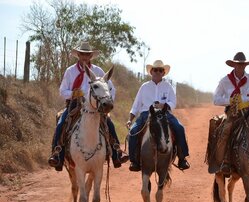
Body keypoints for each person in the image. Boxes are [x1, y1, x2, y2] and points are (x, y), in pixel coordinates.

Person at [48, 41, 126, 171]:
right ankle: (57, 155)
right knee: (61, 123)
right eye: (82, 54)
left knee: (109, 123)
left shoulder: (98, 71)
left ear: (90, 56)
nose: (85, 57)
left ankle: (117, 153)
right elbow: (62, 91)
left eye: (87, 54)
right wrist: (73, 93)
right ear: (78, 55)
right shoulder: (70, 71)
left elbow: (111, 88)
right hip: (74, 104)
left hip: (95, 106)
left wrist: (106, 101)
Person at [126, 60, 190, 172]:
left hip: (164, 113)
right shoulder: (144, 87)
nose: (158, 72)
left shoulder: (168, 86)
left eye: (161, 70)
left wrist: (163, 105)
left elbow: (173, 102)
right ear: (151, 72)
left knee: (179, 128)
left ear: (163, 73)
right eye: (155, 70)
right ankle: (134, 160)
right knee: (133, 131)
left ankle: (182, 158)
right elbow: (136, 105)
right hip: (146, 113)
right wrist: (130, 119)